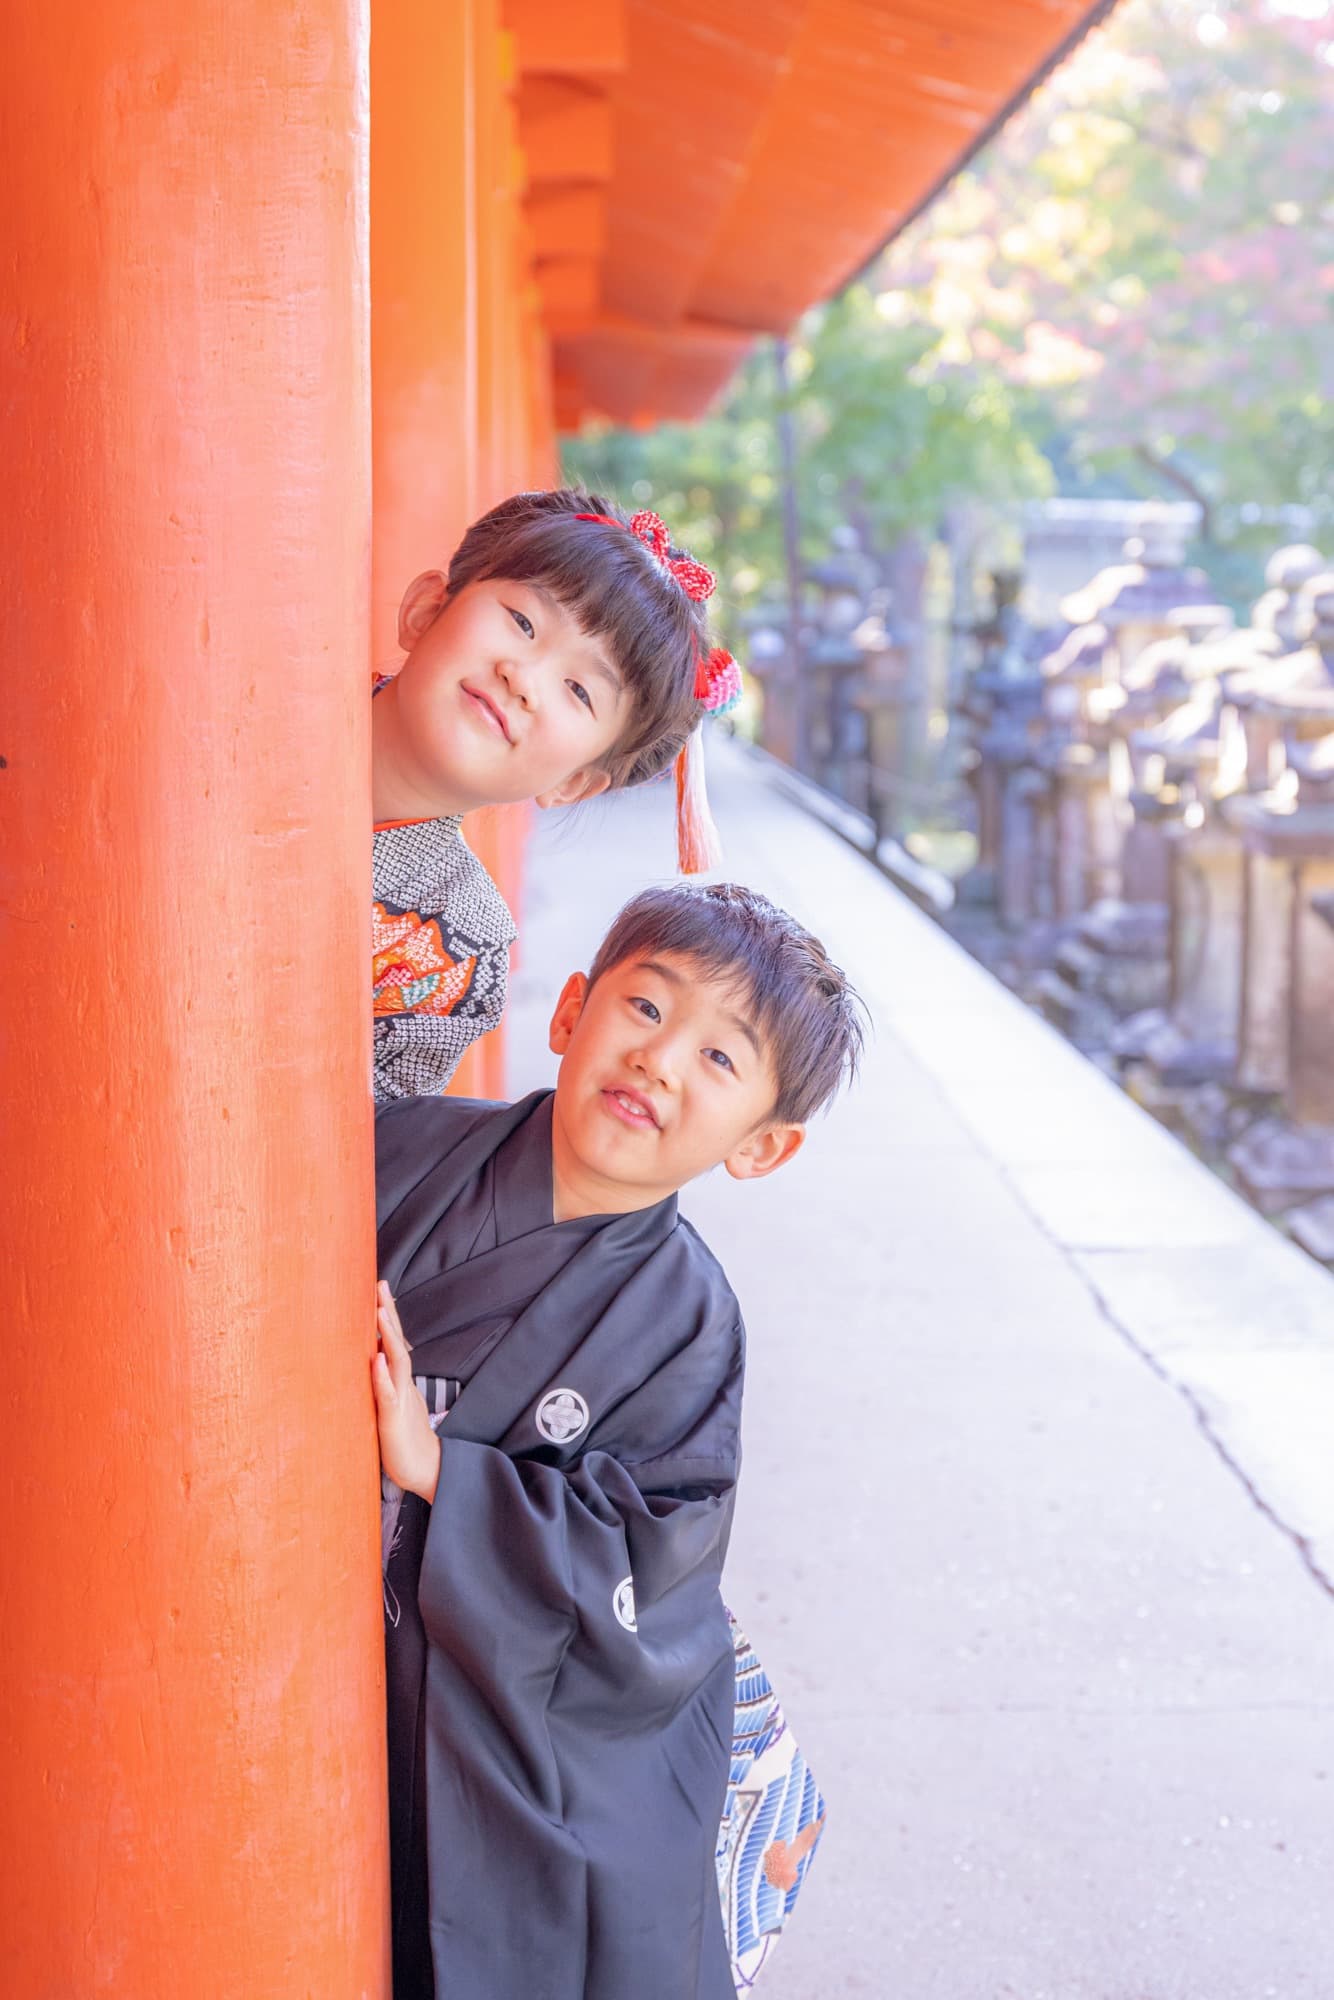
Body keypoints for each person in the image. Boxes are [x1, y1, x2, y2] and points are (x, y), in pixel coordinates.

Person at [371, 881, 864, 1999]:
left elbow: (651, 1566)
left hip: (482, 1705)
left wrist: (441, 1472)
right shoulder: (396, 1150)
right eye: (646, 1008)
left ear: (761, 1147)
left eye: (719, 1060)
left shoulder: (688, 1326)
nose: (660, 1060)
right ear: (569, 1012)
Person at [371, 489, 741, 1100]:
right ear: (426, 610)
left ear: (573, 783)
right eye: (522, 622)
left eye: (579, 690)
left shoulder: (455, 951)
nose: (524, 678)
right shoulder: (254, 685)